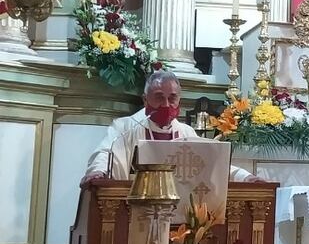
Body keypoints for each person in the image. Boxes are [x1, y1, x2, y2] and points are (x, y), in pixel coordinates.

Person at [81, 71, 259, 185]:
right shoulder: (125, 128)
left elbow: (212, 163)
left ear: (179, 100)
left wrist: (244, 177)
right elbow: (104, 153)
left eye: (172, 98)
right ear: (145, 100)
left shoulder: (186, 133)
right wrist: (98, 171)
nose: (166, 104)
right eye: (159, 97)